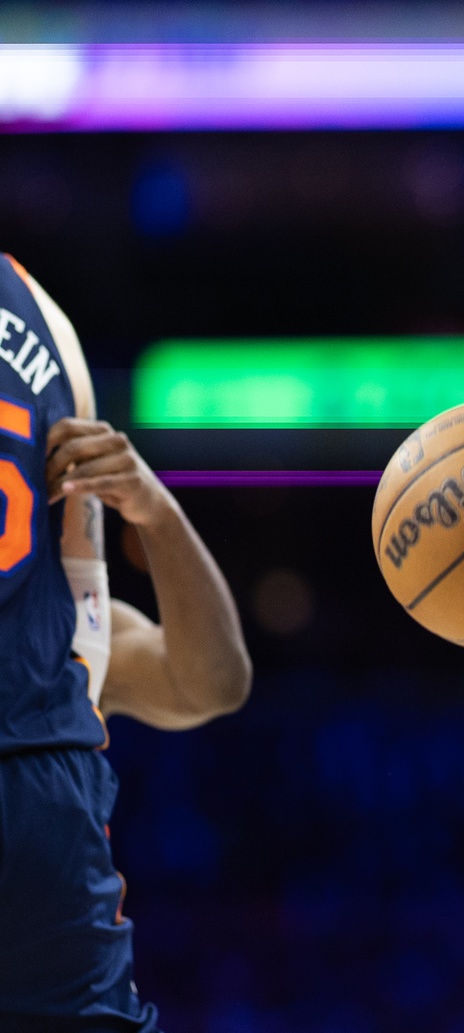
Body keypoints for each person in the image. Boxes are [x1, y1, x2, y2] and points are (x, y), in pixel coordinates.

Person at [0, 254, 252, 1031]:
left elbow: (215, 679)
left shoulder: (64, 639)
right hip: (50, 853)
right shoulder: (40, 316)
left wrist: (157, 510)